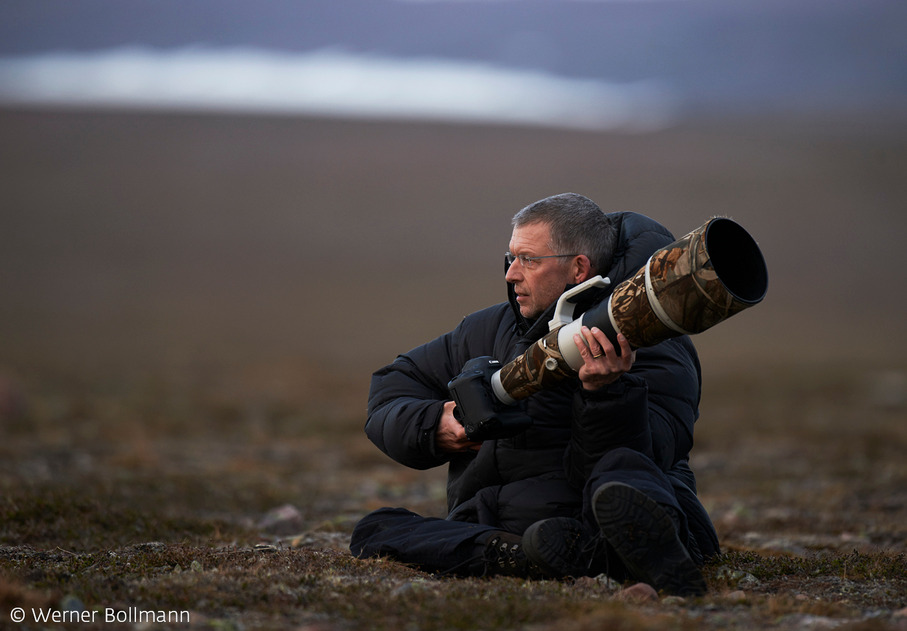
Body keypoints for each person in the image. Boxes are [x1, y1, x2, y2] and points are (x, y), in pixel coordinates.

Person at [350, 193, 719, 596]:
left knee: (622, 478)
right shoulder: (485, 329)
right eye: (510, 259)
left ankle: (637, 559)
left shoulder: (654, 340)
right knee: (376, 528)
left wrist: (605, 394)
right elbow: (392, 385)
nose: (511, 274)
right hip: (495, 524)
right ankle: (521, 554)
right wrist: (434, 425)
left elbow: (644, 458)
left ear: (579, 268)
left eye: (528, 260)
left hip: (599, 518)